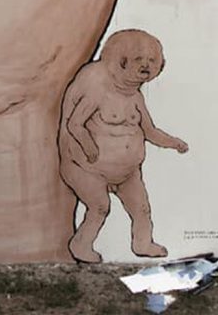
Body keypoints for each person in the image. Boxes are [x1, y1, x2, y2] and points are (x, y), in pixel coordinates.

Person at [58, 29, 188, 263]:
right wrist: (89, 148)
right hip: (89, 169)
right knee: (100, 207)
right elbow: (75, 124)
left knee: (142, 209)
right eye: (139, 59)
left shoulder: (135, 96)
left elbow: (149, 131)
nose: (145, 65)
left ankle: (143, 243)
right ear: (121, 61)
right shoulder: (98, 88)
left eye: (151, 60)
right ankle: (81, 245)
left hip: (127, 173)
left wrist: (173, 143)